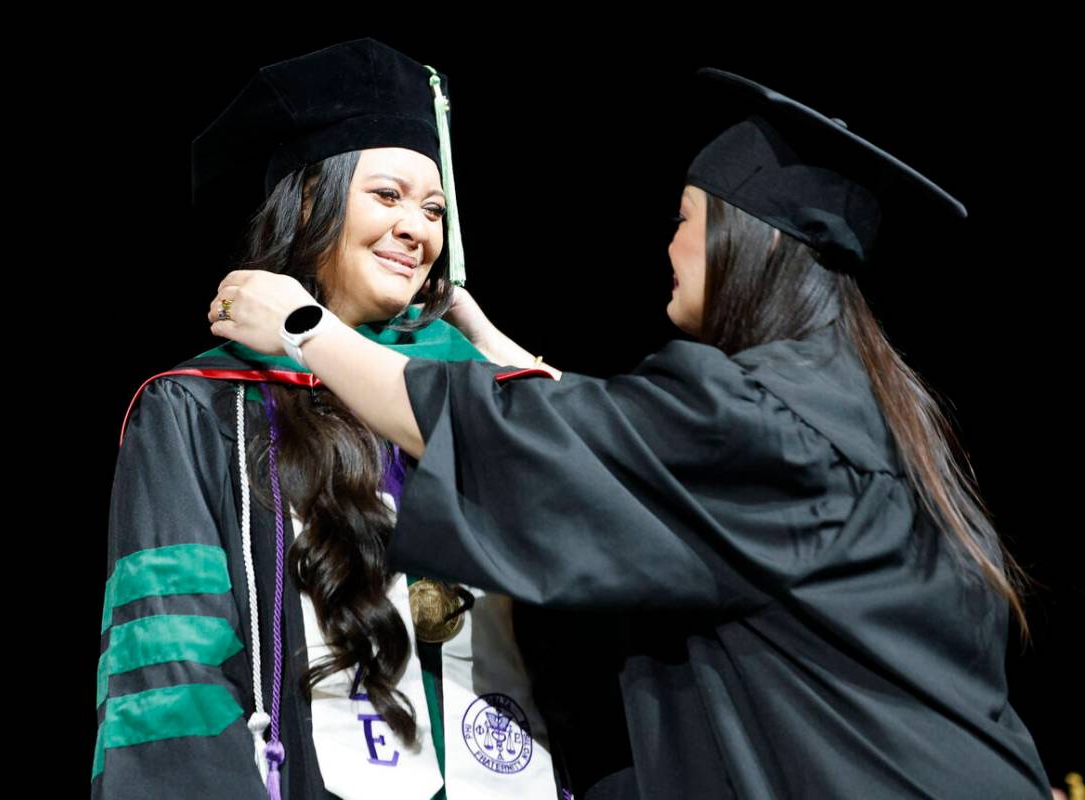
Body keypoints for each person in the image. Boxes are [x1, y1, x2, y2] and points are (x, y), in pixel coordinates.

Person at [205, 68, 1052, 798]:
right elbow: (614, 438)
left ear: (741, 244)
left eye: (684, 220)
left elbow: (549, 441)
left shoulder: (766, 418)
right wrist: (488, 339)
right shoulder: (867, 412)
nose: (671, 246)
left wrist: (305, 328)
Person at [94, 40, 562, 800]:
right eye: (386, 195)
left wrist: (485, 340)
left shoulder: (480, 393)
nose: (418, 228)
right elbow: (175, 659)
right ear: (309, 202)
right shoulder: (202, 405)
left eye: (434, 208)